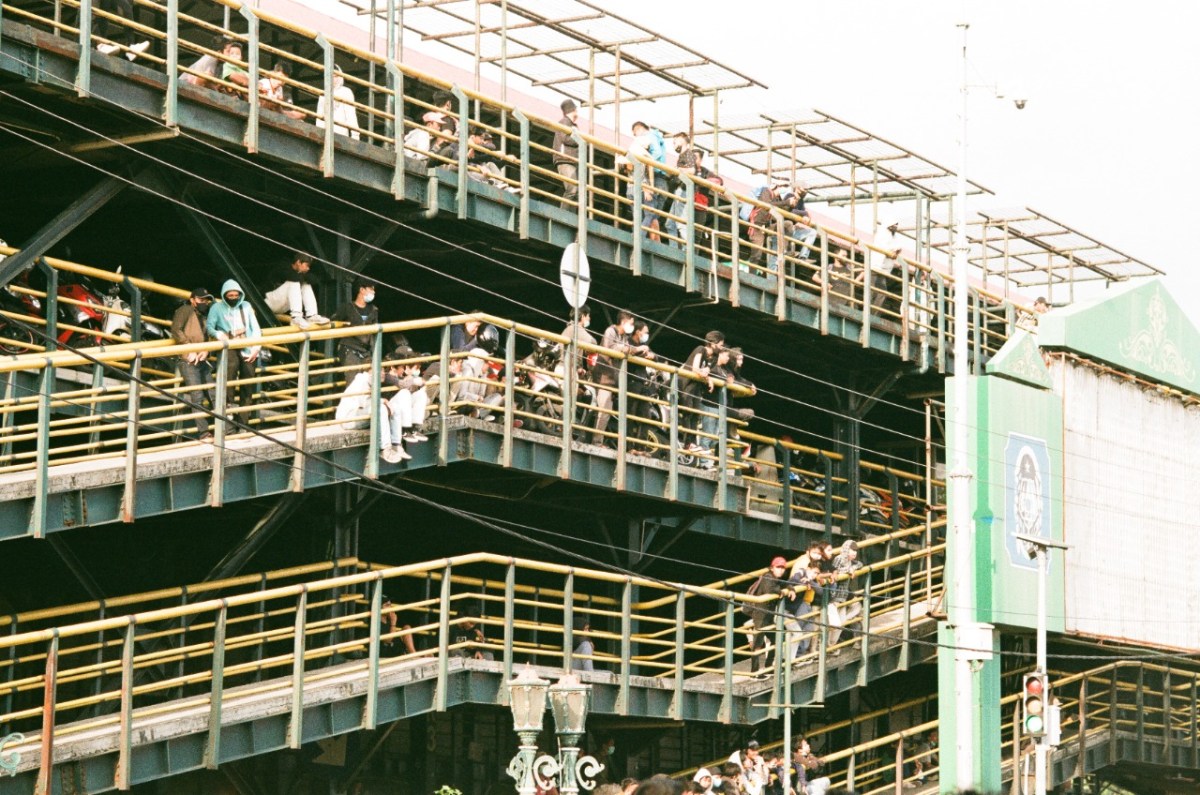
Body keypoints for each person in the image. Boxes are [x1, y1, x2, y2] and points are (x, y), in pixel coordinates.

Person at [592, 311, 651, 446]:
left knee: (607, 411)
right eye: (631, 323)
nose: (632, 326)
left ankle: (599, 440)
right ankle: (596, 442)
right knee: (604, 410)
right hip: (604, 378)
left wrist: (639, 351)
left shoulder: (624, 337)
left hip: (613, 380)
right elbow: (613, 348)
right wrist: (635, 349)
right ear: (623, 322)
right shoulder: (610, 331)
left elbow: (626, 350)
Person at [206, 278, 263, 417]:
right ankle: (228, 410)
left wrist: (256, 347)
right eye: (230, 296)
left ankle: (244, 420)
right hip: (229, 347)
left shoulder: (246, 306)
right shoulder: (216, 308)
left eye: (236, 295)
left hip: (247, 348)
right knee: (229, 378)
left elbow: (255, 328)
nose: (233, 298)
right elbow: (209, 327)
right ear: (224, 295)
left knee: (247, 384)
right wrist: (219, 334)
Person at [334, 366, 412, 463]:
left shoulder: (374, 379)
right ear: (370, 372)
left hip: (361, 414)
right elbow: (363, 403)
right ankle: (384, 449)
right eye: (380, 370)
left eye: (384, 370)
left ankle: (396, 444)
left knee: (394, 406)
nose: (383, 373)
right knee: (381, 408)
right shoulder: (362, 381)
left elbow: (398, 382)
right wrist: (382, 401)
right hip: (348, 419)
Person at [170, 287, 214, 441]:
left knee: (214, 394)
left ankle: (225, 429)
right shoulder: (185, 310)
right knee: (197, 396)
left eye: (206, 300)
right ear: (193, 300)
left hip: (201, 358)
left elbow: (208, 337)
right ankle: (204, 433)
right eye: (201, 300)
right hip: (187, 360)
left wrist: (206, 351)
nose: (205, 303)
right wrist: (190, 349)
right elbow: (176, 330)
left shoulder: (203, 315)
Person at [743, 557, 793, 673]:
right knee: (757, 644)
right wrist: (780, 591)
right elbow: (769, 589)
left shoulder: (775, 578)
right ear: (772, 568)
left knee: (778, 639)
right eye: (778, 567)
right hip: (760, 615)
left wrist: (790, 589)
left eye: (782, 568)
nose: (780, 570)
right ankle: (754, 672)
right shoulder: (767, 577)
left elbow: (784, 583)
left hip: (768, 616)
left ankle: (769, 666)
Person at [680, 331, 724, 453]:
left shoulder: (714, 358)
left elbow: (706, 371)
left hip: (696, 386)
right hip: (686, 384)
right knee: (688, 412)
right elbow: (695, 368)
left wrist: (707, 377)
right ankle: (687, 443)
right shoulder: (701, 349)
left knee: (695, 414)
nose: (721, 348)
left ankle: (693, 443)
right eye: (720, 344)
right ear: (713, 343)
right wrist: (706, 377)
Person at [264, 251, 329, 329]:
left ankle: (312, 315)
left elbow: (314, 280)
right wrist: (304, 276)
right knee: (294, 283)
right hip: (269, 303)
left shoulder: (299, 273)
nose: (308, 268)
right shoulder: (283, 266)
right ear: (298, 262)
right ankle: (296, 317)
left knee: (305, 284)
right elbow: (294, 277)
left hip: (282, 305)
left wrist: (304, 276)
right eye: (307, 265)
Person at [330, 278, 379, 371]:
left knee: (368, 382)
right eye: (371, 289)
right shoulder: (347, 307)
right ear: (361, 290)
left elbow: (375, 333)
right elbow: (333, 321)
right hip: (349, 349)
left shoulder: (374, 309)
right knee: (352, 380)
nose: (374, 292)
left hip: (366, 351)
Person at [384, 346, 430, 443]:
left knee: (420, 394)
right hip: (388, 406)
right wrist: (413, 379)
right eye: (401, 367)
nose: (403, 369)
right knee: (404, 393)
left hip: (399, 406)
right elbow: (402, 384)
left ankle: (414, 427)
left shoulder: (401, 376)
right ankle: (405, 429)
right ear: (393, 367)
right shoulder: (388, 376)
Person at [826, 540, 863, 648]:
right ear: (847, 550)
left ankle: (831, 646)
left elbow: (860, 564)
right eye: (852, 550)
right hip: (835, 597)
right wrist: (848, 570)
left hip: (843, 598)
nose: (854, 553)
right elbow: (834, 572)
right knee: (834, 624)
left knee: (840, 624)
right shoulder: (839, 558)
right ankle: (828, 645)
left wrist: (853, 568)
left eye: (856, 551)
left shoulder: (850, 561)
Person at [665, 132, 700, 244]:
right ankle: (673, 250)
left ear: (681, 141)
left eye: (674, 142)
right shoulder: (683, 155)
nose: (673, 145)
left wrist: (677, 170)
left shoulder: (688, 154)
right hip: (679, 191)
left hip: (683, 190)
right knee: (670, 224)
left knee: (681, 224)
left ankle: (688, 250)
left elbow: (692, 171)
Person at [865, 217, 903, 313]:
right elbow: (886, 249)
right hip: (875, 267)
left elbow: (896, 249)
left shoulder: (893, 237)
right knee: (872, 291)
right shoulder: (882, 233)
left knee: (881, 293)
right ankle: (867, 312)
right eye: (894, 225)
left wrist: (895, 252)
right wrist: (893, 251)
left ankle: (873, 313)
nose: (895, 227)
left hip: (883, 270)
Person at [315, 68, 361, 140]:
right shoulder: (323, 94)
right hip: (325, 135)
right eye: (331, 76)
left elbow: (351, 115)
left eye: (336, 76)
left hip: (341, 135)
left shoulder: (346, 92)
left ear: (340, 77)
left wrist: (355, 136)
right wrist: (318, 135)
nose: (334, 79)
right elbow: (319, 116)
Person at [553, 99, 581, 208]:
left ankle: (572, 216)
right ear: (572, 110)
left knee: (575, 191)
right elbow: (565, 138)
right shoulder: (564, 122)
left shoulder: (572, 124)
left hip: (571, 160)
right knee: (572, 189)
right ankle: (564, 214)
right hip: (565, 158)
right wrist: (580, 140)